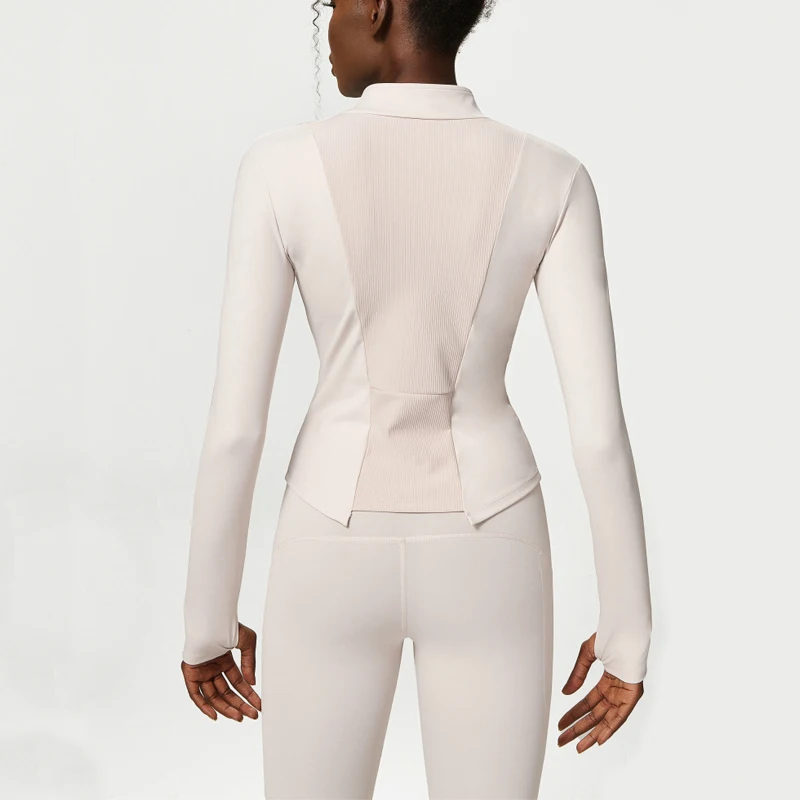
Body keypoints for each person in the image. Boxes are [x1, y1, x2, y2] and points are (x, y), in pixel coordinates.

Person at [180, 1, 653, 797]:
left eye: (329, 3)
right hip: (492, 539)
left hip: (328, 535)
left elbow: (236, 429)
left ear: (379, 7)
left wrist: (205, 623)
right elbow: (598, 431)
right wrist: (628, 634)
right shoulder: (552, 175)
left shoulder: (278, 168)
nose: (325, 26)